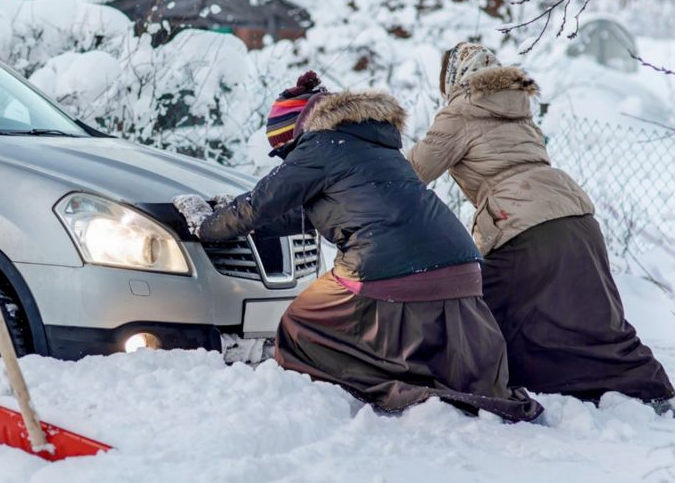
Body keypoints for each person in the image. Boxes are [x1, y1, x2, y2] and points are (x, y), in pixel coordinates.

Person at [176, 72, 543, 422]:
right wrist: (229, 210)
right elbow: (308, 212)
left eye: (285, 152)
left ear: (295, 134)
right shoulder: (371, 146)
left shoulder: (318, 146)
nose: (288, 161)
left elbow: (261, 204)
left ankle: (365, 387)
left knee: (302, 320)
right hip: (460, 266)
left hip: (388, 267)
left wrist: (205, 224)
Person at [407, 42, 675, 412]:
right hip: (576, 215)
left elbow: (411, 173)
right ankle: (653, 392)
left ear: (452, 78)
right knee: (593, 316)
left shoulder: (459, 112)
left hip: (522, 223)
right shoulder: (518, 109)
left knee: (480, 311)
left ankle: (477, 390)